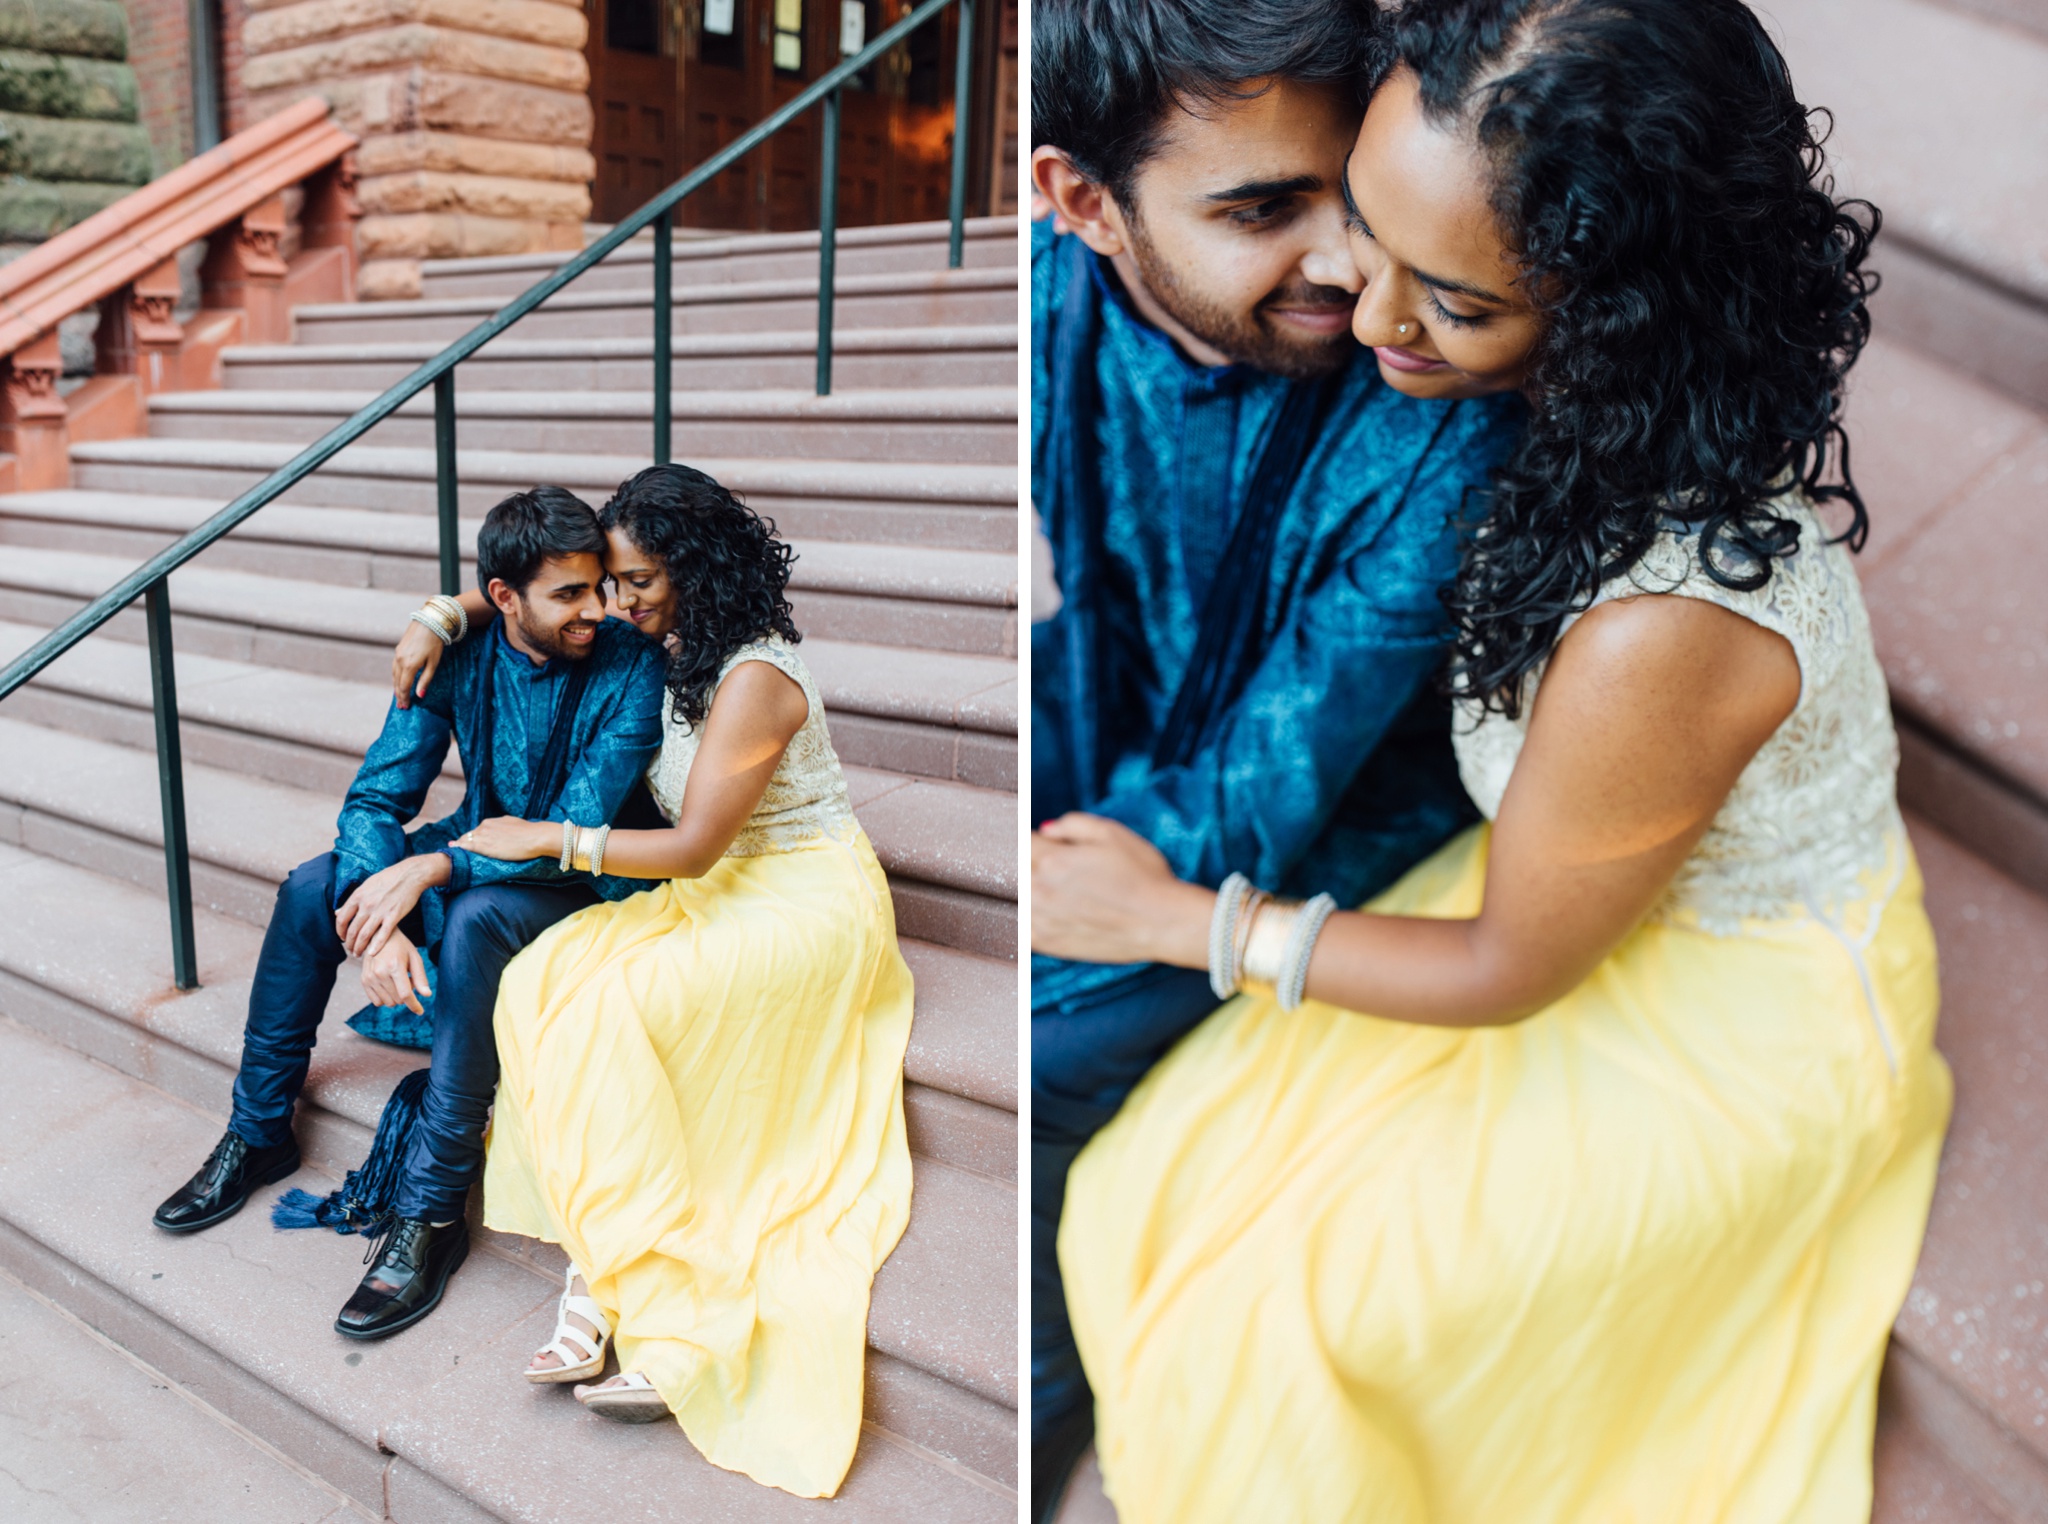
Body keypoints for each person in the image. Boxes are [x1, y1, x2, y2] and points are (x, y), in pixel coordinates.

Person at [1032, 1, 1952, 1519]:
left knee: (1297, 1323)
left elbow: (1515, 966)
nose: (1366, 310)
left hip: (1721, 1003)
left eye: (1449, 299)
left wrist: (1183, 926)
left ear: (1600, 315)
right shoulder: (1527, 395)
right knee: (1159, 1173)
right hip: (1563, 859)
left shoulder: (1670, 621)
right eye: (1366, 229)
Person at [1027, 0, 1525, 1500]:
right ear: (1083, 204)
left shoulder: (1436, 404)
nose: (1353, 270)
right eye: (1263, 210)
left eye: (1354, 198)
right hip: (1121, 714)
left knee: (1037, 1046)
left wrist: (1093, 900)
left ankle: (1043, 1422)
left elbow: (1276, 784)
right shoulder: (1057, 300)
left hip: (1343, 821)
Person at [393, 463, 913, 1500]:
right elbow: (526, 589)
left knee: (629, 1002)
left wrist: (545, 834)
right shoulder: (666, 641)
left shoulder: (756, 675)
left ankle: (630, 1292)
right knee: (548, 980)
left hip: (797, 896)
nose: (619, 602)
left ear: (691, 569)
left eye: (635, 580)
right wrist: (441, 610)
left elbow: (693, 848)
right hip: (722, 889)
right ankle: (608, 1254)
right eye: (613, 584)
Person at [151, 487, 667, 1342]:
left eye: (598, 588)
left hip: (580, 870)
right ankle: (258, 1131)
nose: (597, 610)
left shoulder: (631, 663)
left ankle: (430, 1213)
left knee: (473, 921)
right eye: (569, 595)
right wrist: (378, 915)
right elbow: (374, 796)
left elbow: (575, 819)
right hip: (474, 846)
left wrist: (429, 872)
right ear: (503, 598)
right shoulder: (456, 655)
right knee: (312, 888)